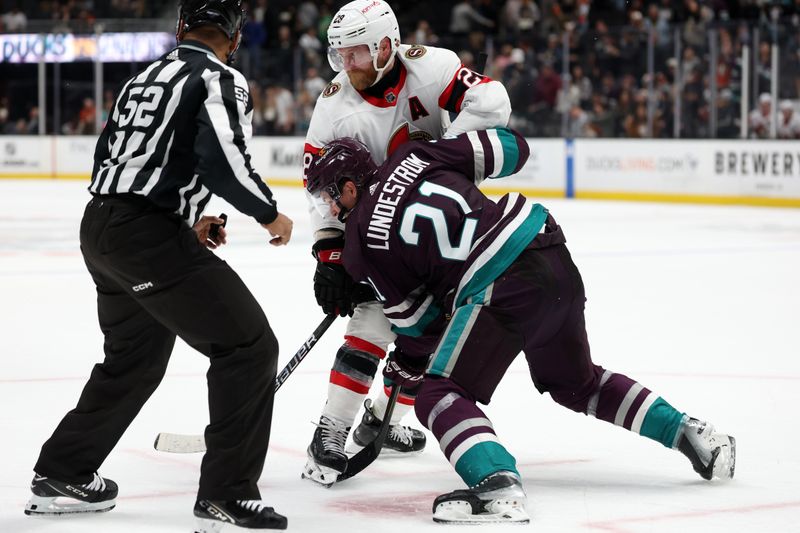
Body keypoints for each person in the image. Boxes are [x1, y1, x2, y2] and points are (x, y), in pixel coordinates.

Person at [304, 129, 736, 524]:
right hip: (547, 247)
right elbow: (513, 148)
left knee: (439, 392)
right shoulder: (414, 153)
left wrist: (405, 367)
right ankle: (687, 432)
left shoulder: (360, 243)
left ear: (349, 186)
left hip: (500, 283)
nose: (328, 208)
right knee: (577, 382)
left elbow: (423, 326)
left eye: (329, 196)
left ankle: (496, 486)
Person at [25, 1, 292, 531]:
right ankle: (227, 493)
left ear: (180, 29)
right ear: (234, 40)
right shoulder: (220, 76)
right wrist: (268, 212)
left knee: (135, 360)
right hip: (145, 234)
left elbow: (116, 156)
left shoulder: (143, 77)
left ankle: (64, 470)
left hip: (102, 224)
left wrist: (182, 221)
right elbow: (223, 156)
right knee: (248, 346)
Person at [301, 0, 512, 486]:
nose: (346, 66)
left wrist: (437, 162)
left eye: (355, 54)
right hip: (377, 237)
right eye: (339, 56)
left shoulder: (433, 68)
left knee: (436, 338)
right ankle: (330, 432)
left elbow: (493, 102)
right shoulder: (333, 105)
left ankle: (384, 417)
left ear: (385, 45)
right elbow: (317, 186)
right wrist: (331, 256)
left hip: (440, 227)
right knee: (373, 323)